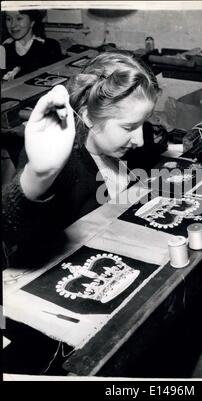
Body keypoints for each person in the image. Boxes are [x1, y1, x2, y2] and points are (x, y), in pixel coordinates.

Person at [2, 50, 161, 258]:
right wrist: (38, 176)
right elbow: (12, 228)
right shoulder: (64, 160)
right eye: (129, 127)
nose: (139, 140)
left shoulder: (124, 146)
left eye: (143, 123)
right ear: (87, 116)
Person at [2, 10, 63, 80]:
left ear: (32, 22)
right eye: (8, 19)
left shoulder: (49, 46)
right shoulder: (3, 49)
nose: (13, 25)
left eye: (19, 18)